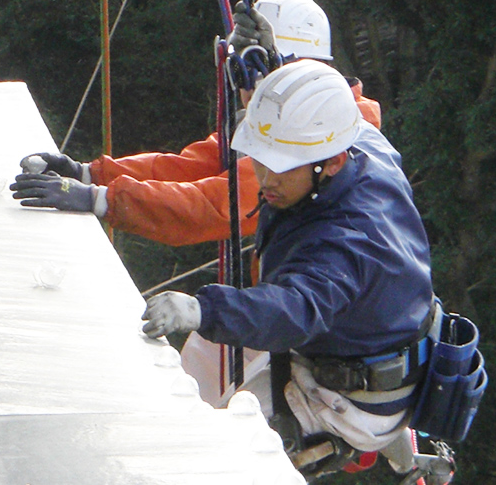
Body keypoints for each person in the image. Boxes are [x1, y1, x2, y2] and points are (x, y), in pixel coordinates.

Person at [140, 59, 435, 477]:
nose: (265, 179)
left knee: (215, 459)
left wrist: (203, 311)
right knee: (212, 355)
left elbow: (293, 309)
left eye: (283, 165)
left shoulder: (348, 243)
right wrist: (272, 79)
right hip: (371, 334)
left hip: (350, 397)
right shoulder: (364, 146)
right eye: (261, 159)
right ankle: (401, 449)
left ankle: (376, 432)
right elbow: (346, 112)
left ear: (331, 162)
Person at [9, 0, 381, 246]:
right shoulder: (301, 119)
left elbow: (219, 206)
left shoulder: (319, 136)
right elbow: (194, 165)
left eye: (254, 68)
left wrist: (98, 198)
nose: (246, 83)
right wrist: (88, 173)